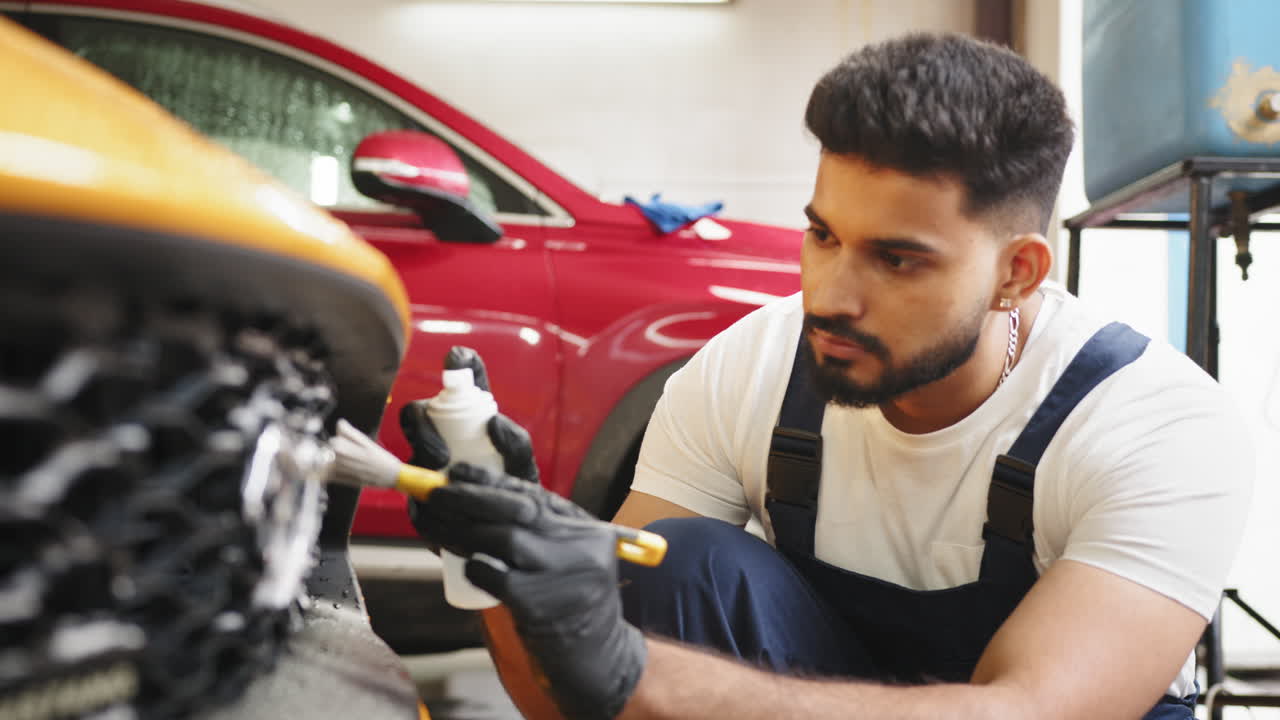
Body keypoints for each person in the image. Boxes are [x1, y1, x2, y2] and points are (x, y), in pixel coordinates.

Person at [402, 32, 1254, 720]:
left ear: (1017, 273)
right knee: (677, 565)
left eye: (897, 259)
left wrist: (640, 678)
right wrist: (499, 570)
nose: (831, 295)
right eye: (823, 236)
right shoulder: (749, 370)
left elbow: (1026, 710)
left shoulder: (1155, 425)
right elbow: (588, 700)